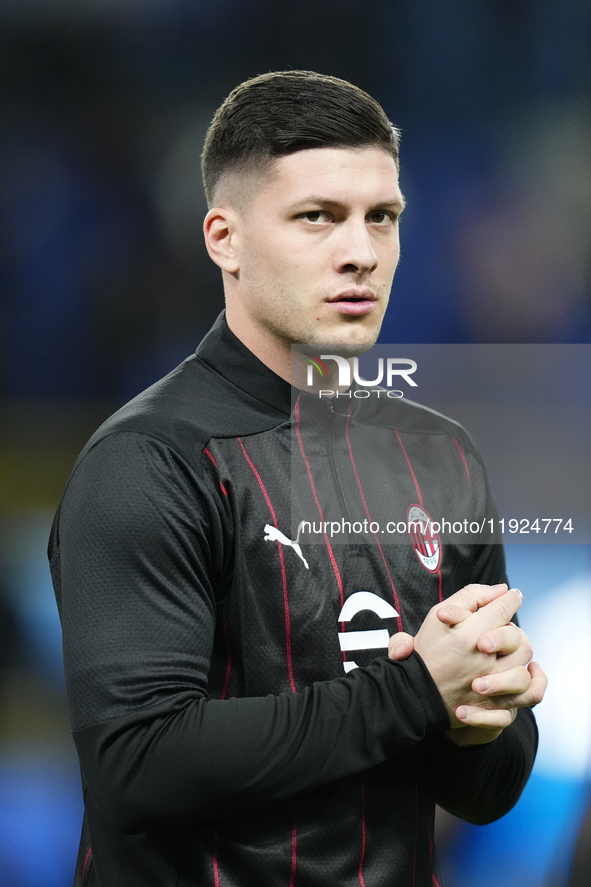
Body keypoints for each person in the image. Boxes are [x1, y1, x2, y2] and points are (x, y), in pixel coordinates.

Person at [49, 70, 547, 887]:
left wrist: (478, 718)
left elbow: (487, 793)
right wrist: (417, 690)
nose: (360, 251)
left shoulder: (441, 455)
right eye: (316, 217)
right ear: (224, 238)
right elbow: (136, 763)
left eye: (380, 218)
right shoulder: (149, 459)